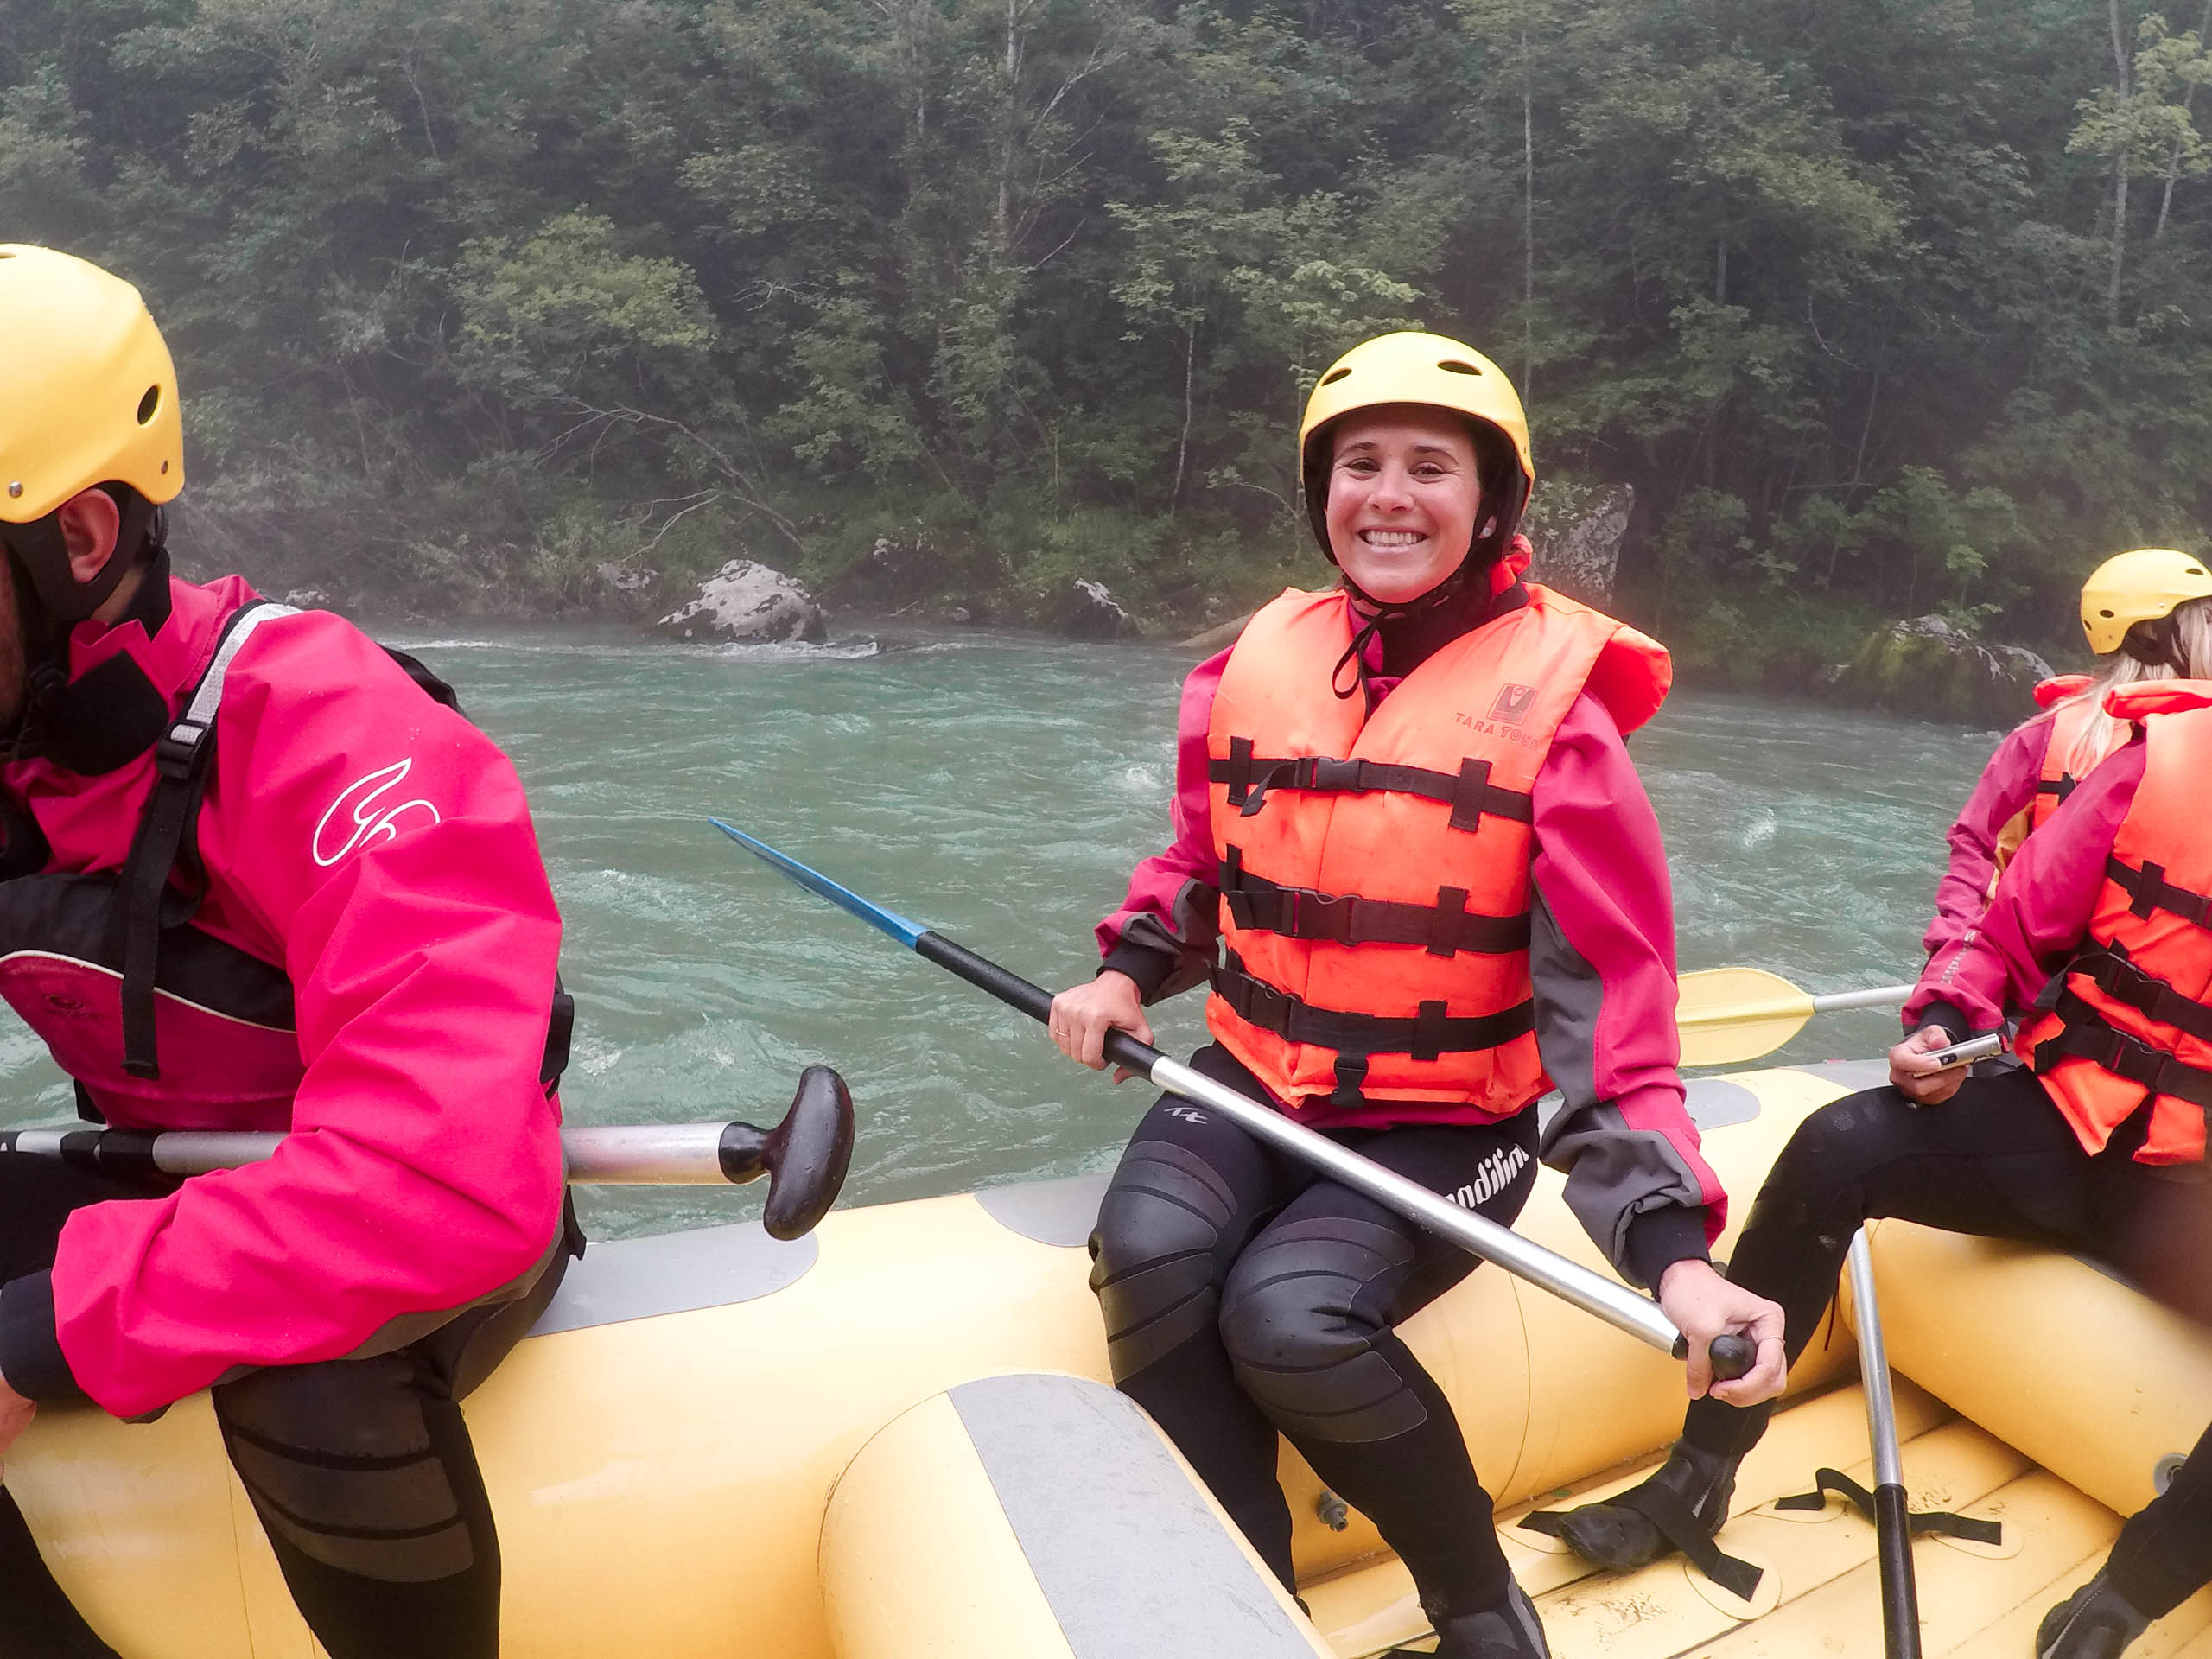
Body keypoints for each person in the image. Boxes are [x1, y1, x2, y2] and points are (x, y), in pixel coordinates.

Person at [1046, 330, 1787, 1659]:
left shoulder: (1562, 728)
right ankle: (1249, 1608)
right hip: (1255, 1079)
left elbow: (1612, 1015)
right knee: (1152, 1265)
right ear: (1320, 491)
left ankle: (1479, 1606)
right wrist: (1125, 967)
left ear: (1493, 501)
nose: (1387, 494)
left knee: (1290, 1321)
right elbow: (1205, 863)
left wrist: (1674, 1252)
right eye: (1358, 465)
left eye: (1428, 468)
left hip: (1454, 1118)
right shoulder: (1252, 664)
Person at [0, 244, 575, 1657]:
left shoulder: (333, 735)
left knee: (310, 1375)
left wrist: (38, 1338)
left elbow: (438, 1180)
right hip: (167, 1176)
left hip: (415, 1207)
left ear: (77, 543)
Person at [1554, 583, 2212, 1658]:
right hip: (2058, 1123)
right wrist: (1946, 1021)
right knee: (1839, 1144)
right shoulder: (2158, 764)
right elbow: (2006, 933)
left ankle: (2117, 1607)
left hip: (2190, 1195)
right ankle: (1699, 1473)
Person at [1923, 549, 2212, 988]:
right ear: (2152, 636)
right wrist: (1954, 982)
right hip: (2049, 996)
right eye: (2207, 621)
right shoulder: (2046, 741)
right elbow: (1978, 863)